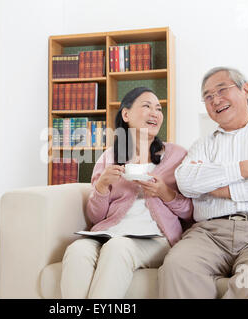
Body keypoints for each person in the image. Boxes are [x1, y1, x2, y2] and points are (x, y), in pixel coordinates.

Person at [159, 66, 248, 299]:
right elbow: (187, 182)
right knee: (178, 265)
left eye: (221, 90)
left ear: (245, 90)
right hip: (208, 235)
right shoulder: (203, 145)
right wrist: (243, 168)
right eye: (207, 96)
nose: (215, 100)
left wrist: (226, 190)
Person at [60, 87, 193, 298]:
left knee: (118, 247)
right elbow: (96, 217)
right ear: (126, 114)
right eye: (147, 106)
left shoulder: (177, 155)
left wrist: (164, 192)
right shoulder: (109, 157)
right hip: (110, 232)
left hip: (156, 238)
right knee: (77, 250)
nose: (155, 113)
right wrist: (102, 187)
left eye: (158, 109)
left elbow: (191, 212)